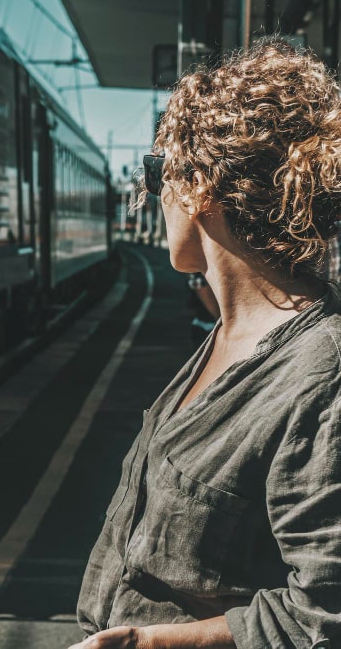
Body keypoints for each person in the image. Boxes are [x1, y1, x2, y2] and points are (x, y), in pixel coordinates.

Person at [72, 40, 341, 649]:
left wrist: (148, 643)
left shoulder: (322, 379)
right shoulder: (232, 333)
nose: (155, 192)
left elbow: (327, 619)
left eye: (155, 173)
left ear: (200, 187)